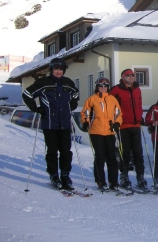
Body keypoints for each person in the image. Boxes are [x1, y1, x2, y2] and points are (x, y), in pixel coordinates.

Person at [22, 57, 79, 190]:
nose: (58, 72)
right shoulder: (43, 82)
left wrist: (71, 106)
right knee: (52, 151)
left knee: (66, 151)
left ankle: (65, 175)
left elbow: (75, 95)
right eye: (56, 69)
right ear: (51, 69)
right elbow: (27, 94)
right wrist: (36, 108)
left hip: (64, 122)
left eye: (61, 69)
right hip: (49, 123)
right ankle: (54, 175)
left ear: (64, 70)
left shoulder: (68, 83)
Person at [80, 77, 122, 191]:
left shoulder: (112, 99)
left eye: (105, 86)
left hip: (109, 131)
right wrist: (85, 122)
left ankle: (113, 182)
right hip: (96, 131)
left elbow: (118, 113)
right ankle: (100, 181)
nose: (103, 88)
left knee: (111, 157)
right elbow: (85, 112)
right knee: (100, 156)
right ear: (97, 86)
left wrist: (117, 123)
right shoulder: (92, 99)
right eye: (100, 86)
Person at [109, 69, 147, 190]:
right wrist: (114, 120)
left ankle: (140, 176)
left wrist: (141, 116)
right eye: (128, 75)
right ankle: (124, 176)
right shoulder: (116, 89)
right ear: (123, 77)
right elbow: (110, 105)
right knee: (124, 153)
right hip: (123, 125)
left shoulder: (137, 89)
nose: (130, 77)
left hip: (136, 125)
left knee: (138, 153)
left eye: (132, 75)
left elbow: (139, 103)